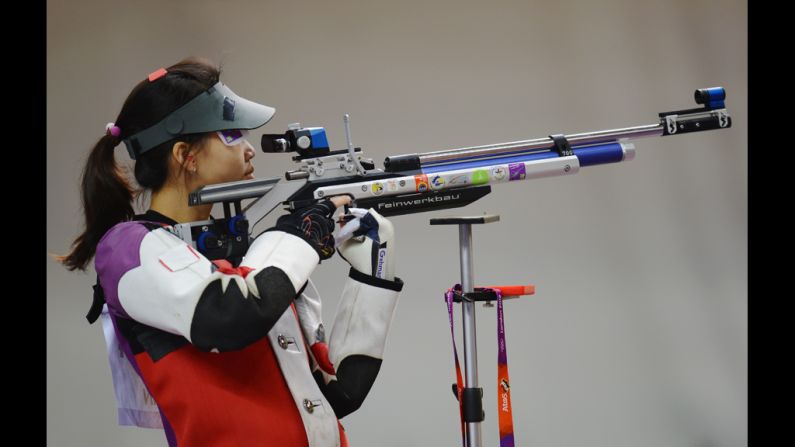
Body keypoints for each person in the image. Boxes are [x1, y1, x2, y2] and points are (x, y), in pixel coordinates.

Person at [57, 57, 404, 447]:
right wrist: (298, 235)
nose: (249, 148)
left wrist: (372, 276)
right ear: (185, 154)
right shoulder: (127, 247)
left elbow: (336, 395)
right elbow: (227, 315)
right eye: (232, 133)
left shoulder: (247, 256)